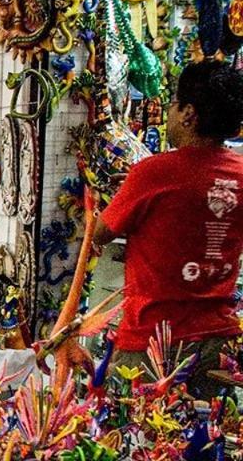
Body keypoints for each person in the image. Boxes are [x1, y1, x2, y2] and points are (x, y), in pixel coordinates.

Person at [92, 60, 243, 399]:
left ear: (189, 114)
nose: (170, 112)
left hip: (153, 346)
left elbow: (100, 232)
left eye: (175, 103)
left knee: (140, 442)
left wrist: (120, 196)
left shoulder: (154, 173)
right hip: (217, 343)